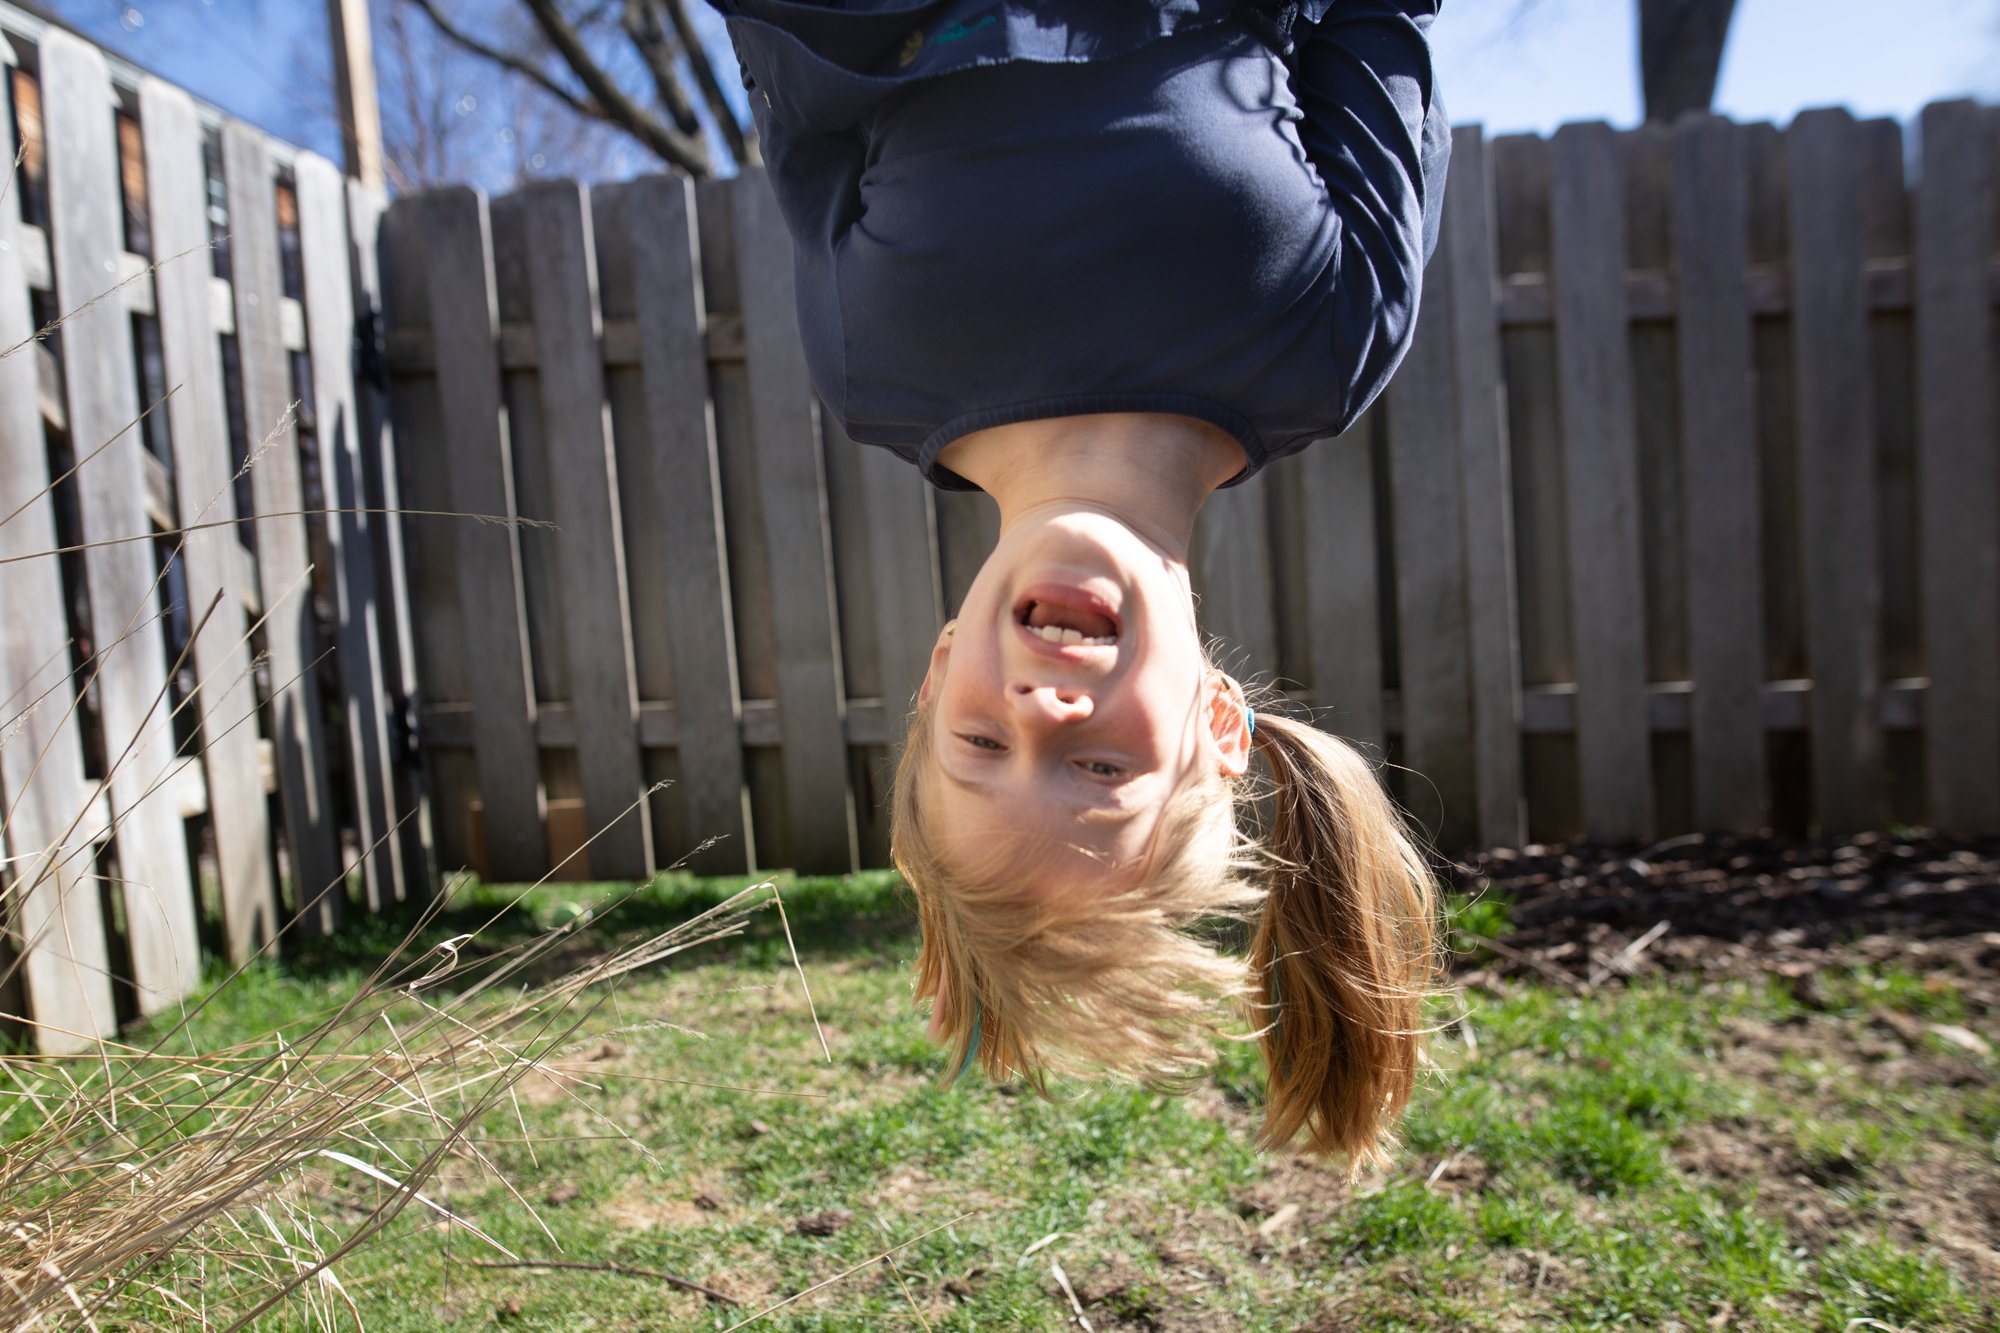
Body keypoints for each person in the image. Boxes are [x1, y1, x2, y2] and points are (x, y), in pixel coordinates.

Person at [708, 0, 1450, 1173]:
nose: (1041, 716)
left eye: (981, 747)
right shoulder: (1328, 344)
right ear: (1218, 728)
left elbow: (802, 99)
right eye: (1098, 769)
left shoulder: (872, 368)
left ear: (942, 666)